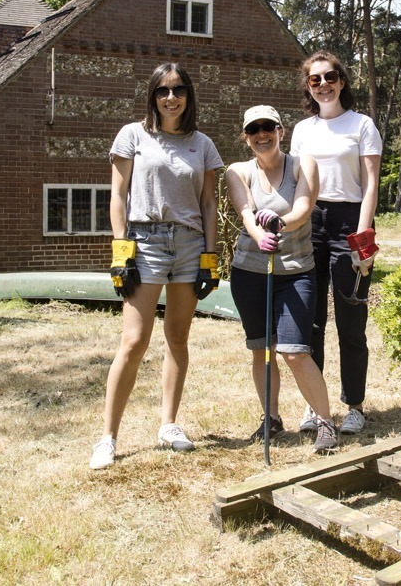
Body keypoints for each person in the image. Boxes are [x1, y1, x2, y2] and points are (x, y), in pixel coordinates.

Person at [90, 63, 224, 470]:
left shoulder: (202, 144)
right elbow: (117, 194)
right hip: (144, 242)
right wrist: (120, 249)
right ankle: (108, 437)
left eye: (178, 89)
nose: (171, 97)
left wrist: (210, 257)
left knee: (178, 338)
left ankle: (168, 425)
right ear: (152, 95)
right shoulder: (133, 135)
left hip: (189, 244)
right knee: (133, 342)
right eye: (163, 90)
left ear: (189, 95)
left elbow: (208, 203)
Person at [225, 105, 338, 453]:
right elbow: (245, 212)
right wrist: (260, 235)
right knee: (262, 351)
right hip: (250, 273)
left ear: (281, 131)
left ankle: (325, 423)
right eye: (254, 130)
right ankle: (270, 418)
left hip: (295, 272)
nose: (262, 135)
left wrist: (279, 224)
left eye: (268, 127)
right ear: (246, 137)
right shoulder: (237, 171)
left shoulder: (304, 164)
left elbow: (304, 209)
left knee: (294, 352)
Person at [290, 50, 382, 435]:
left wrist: (362, 241)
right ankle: (315, 405)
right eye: (315, 80)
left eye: (330, 77)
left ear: (342, 81)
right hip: (310, 222)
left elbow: (372, 184)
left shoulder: (361, 125)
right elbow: (294, 185)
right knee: (309, 321)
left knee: (350, 317)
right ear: (308, 87)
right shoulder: (301, 130)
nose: (323, 85)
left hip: (350, 221)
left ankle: (355, 405)